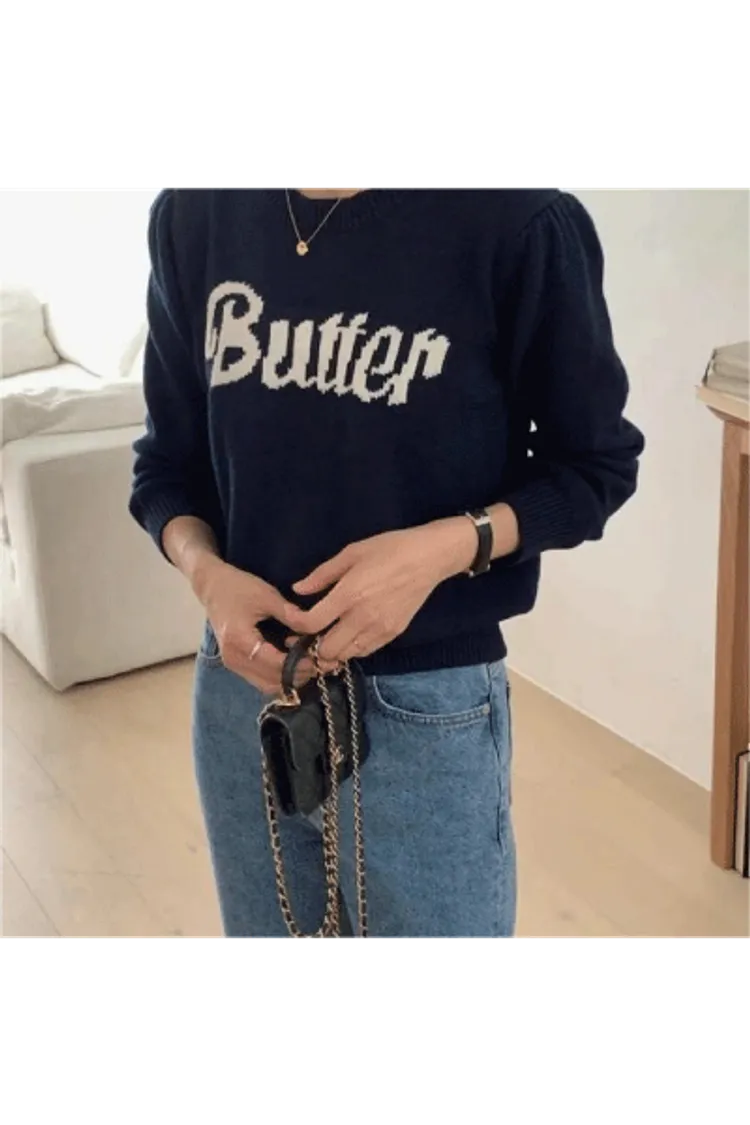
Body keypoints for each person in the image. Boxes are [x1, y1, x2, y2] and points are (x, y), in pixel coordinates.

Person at [130, 184, 644, 941]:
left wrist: (445, 547)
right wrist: (206, 574)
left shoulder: (517, 220)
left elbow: (596, 467)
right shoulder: (192, 213)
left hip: (422, 705)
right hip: (242, 687)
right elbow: (164, 470)